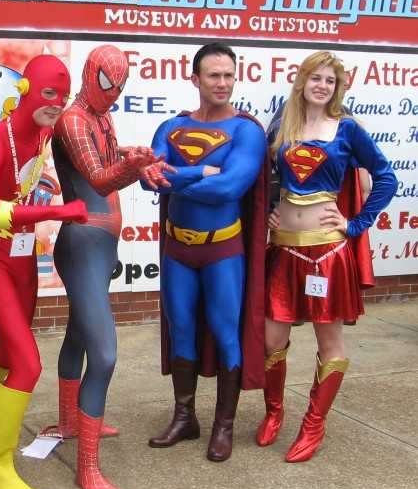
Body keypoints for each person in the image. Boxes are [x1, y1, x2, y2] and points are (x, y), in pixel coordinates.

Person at [0, 54, 88, 489]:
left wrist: (130, 164)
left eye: (63, 95)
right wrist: (56, 211)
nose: (57, 102)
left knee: (14, 348)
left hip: (22, 255)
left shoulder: (47, 135)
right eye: (50, 92)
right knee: (28, 364)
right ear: (28, 89)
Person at [42, 44, 167, 489]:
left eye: (121, 86)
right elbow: (98, 178)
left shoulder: (100, 115)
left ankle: (71, 422)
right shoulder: (74, 120)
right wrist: (134, 167)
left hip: (99, 243)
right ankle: (88, 469)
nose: (114, 94)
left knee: (79, 333)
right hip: (83, 244)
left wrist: (142, 165)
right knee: (105, 353)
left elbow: (112, 165)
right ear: (91, 74)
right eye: (108, 83)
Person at [257, 51, 396, 462]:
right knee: (271, 339)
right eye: (315, 78)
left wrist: (355, 224)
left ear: (338, 88)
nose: (322, 85)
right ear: (302, 82)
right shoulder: (283, 126)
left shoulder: (348, 129)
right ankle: (273, 413)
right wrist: (267, 209)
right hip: (284, 248)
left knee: (329, 341)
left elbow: (385, 176)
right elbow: (263, 177)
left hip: (328, 253)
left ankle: (313, 425)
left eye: (330, 81)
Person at [144, 42, 268, 463]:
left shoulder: (246, 130)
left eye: (228, 75)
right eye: (214, 75)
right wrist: (200, 171)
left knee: (224, 331)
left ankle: (223, 426)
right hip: (178, 248)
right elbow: (149, 180)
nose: (223, 83)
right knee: (181, 328)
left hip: (222, 251)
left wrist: (176, 178)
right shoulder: (171, 126)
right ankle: (185, 418)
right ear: (195, 79)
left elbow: (230, 188)